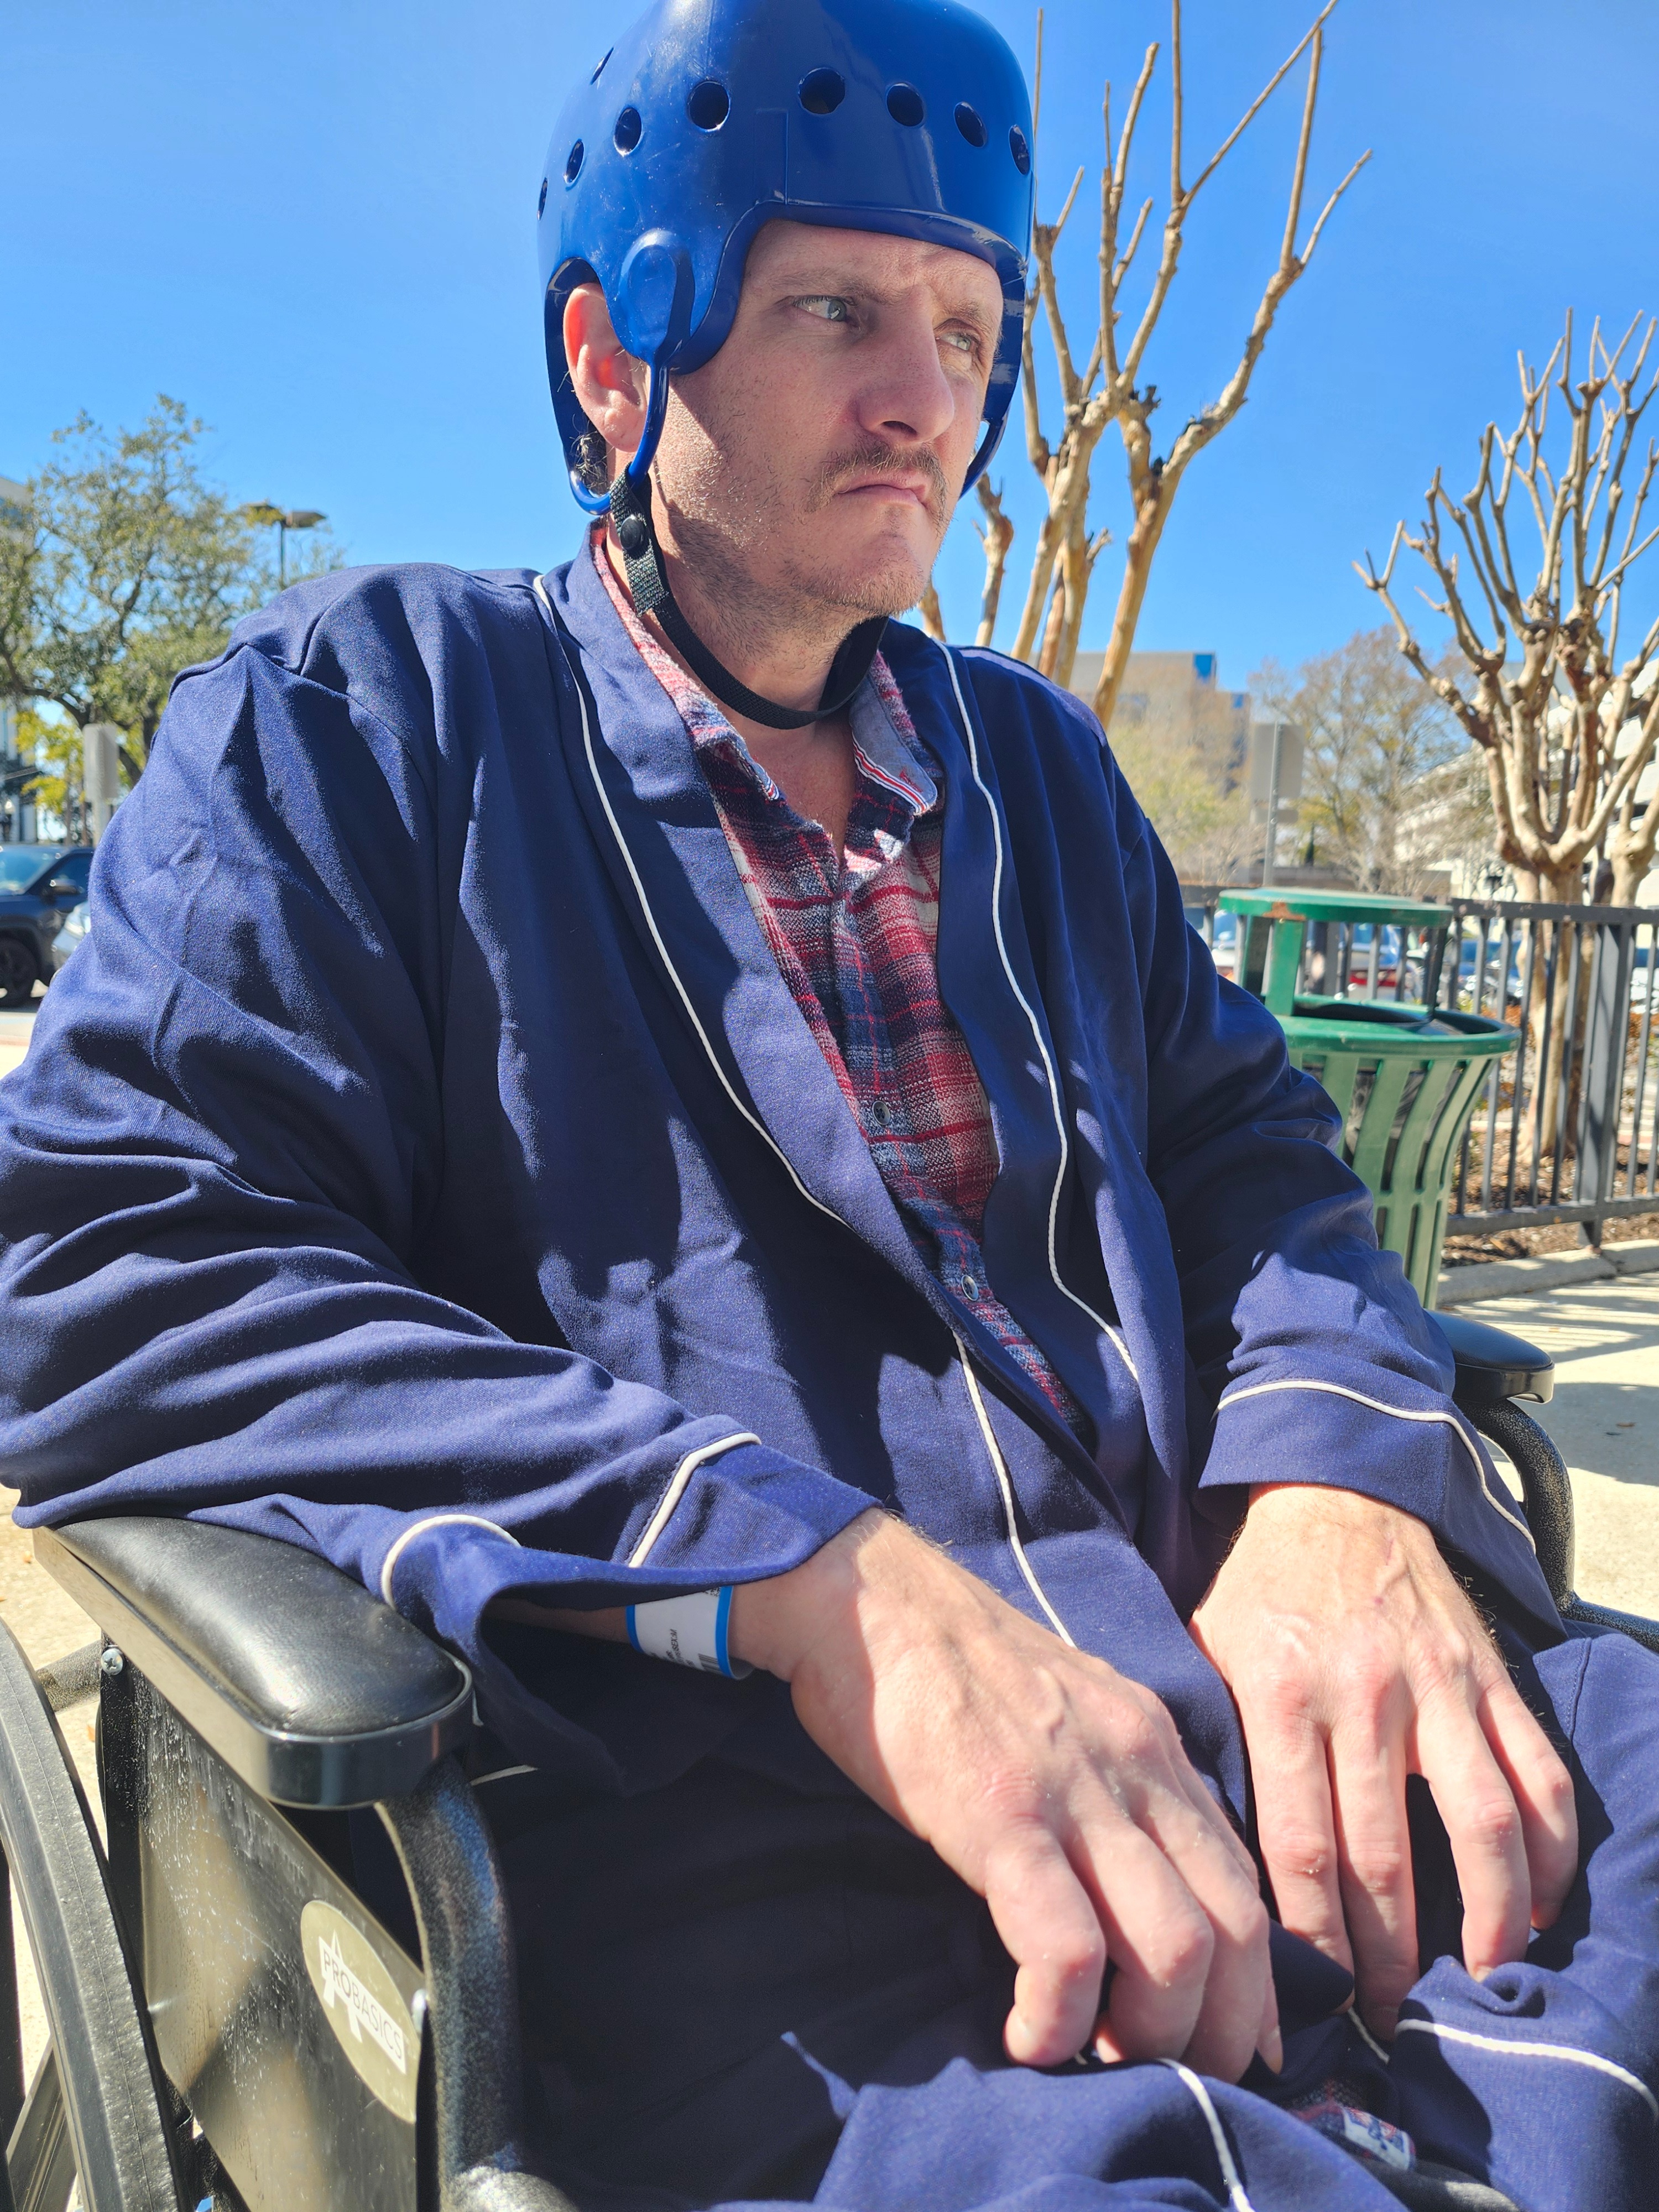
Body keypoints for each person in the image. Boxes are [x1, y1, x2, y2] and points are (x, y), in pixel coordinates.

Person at [1, 3, 1656, 2206]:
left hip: (1241, 1691)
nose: (929, 401)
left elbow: (1254, 1156)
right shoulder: (360, 722)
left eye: (967, 332)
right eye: (838, 313)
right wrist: (807, 1578)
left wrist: (1332, 1489)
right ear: (615, 358)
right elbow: (114, 1263)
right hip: (735, 1843)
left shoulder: (1040, 776)